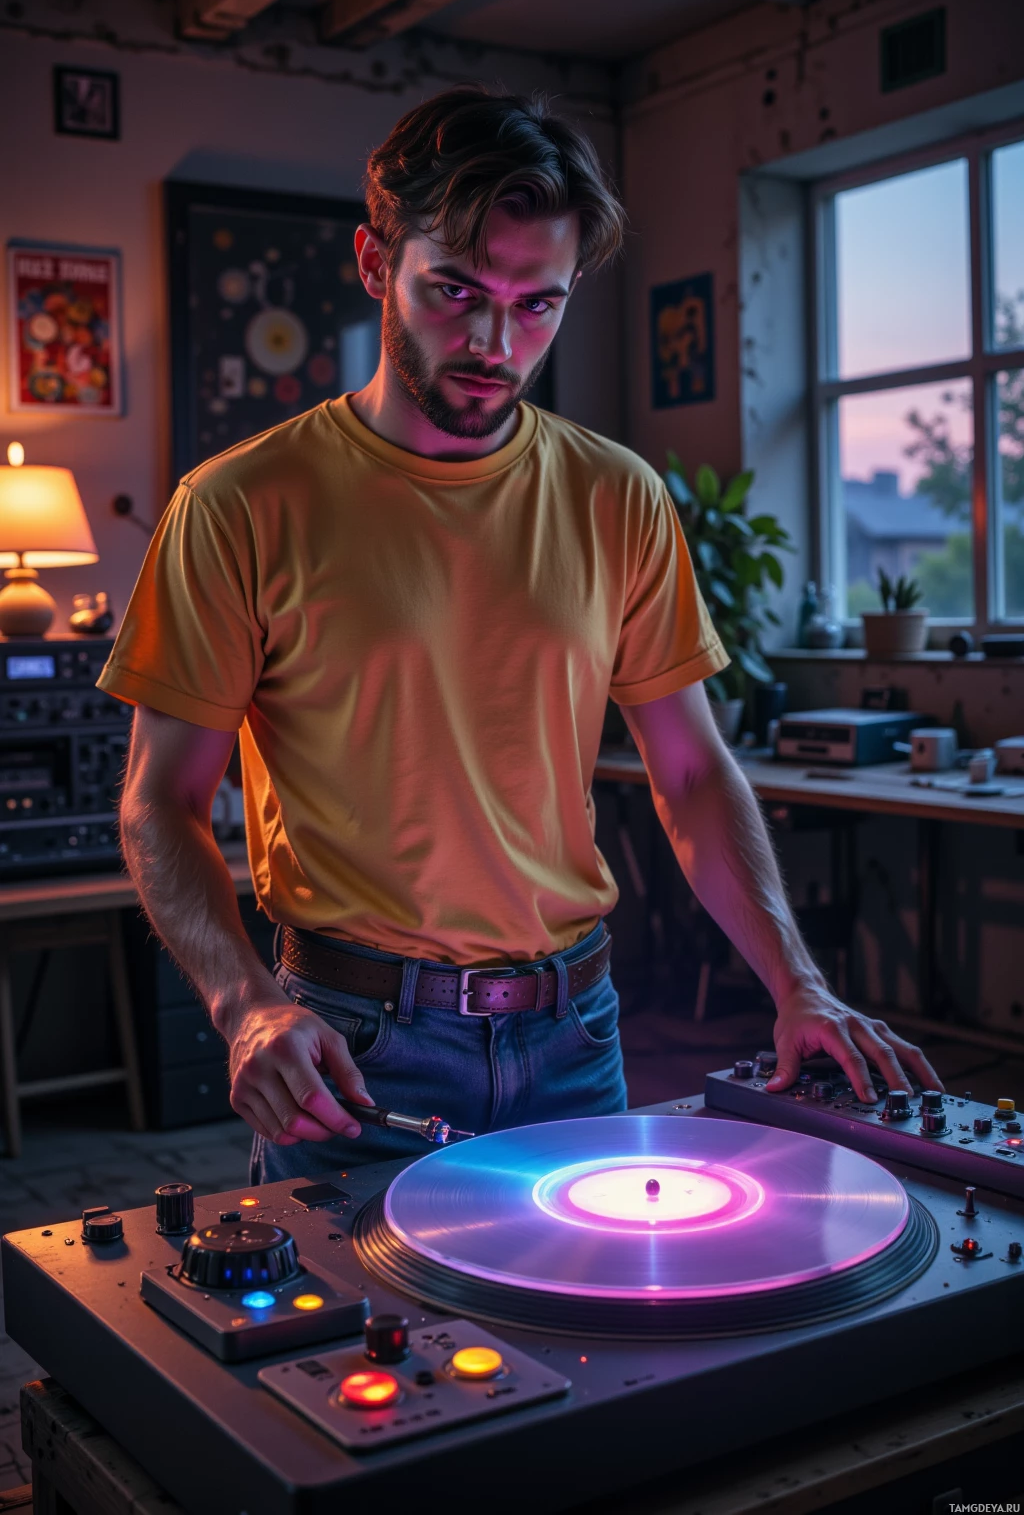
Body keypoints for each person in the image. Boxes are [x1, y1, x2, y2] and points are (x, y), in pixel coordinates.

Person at [101, 86, 942, 1183]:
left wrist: (799, 982)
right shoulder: (237, 505)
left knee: (600, 1305)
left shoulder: (617, 496)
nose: (494, 340)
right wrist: (244, 1004)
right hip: (353, 1052)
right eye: (455, 290)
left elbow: (692, 773)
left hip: (576, 1035)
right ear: (375, 263)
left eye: (536, 303)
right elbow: (159, 803)